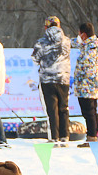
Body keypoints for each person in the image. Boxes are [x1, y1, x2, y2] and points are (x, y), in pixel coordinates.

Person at [31, 16, 72, 144]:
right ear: (59, 26)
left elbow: (35, 59)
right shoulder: (66, 41)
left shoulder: (41, 42)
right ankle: (65, 136)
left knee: (51, 109)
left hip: (47, 79)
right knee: (64, 107)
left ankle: (54, 137)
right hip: (63, 78)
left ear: (46, 27)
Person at [71, 22, 98, 140]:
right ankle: (97, 134)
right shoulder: (95, 44)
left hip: (86, 84)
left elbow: (86, 66)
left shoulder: (90, 48)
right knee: (92, 111)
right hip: (94, 84)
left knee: (88, 112)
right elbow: (75, 42)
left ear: (83, 34)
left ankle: (92, 136)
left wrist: (77, 78)